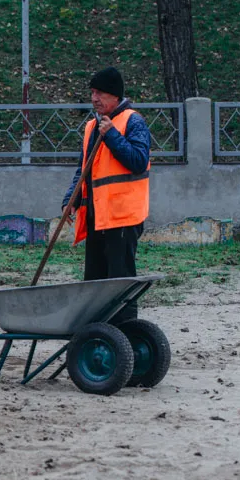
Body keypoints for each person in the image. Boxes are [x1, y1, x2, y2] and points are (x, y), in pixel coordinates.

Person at [62, 67, 152, 324]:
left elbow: (137, 160)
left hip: (122, 216)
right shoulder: (92, 126)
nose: (94, 98)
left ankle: (126, 333)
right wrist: (71, 199)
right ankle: (98, 332)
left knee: (120, 281)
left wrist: (111, 135)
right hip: (97, 216)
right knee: (95, 280)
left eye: (99, 93)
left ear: (114, 95)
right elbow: (84, 169)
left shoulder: (132, 121)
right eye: (92, 92)